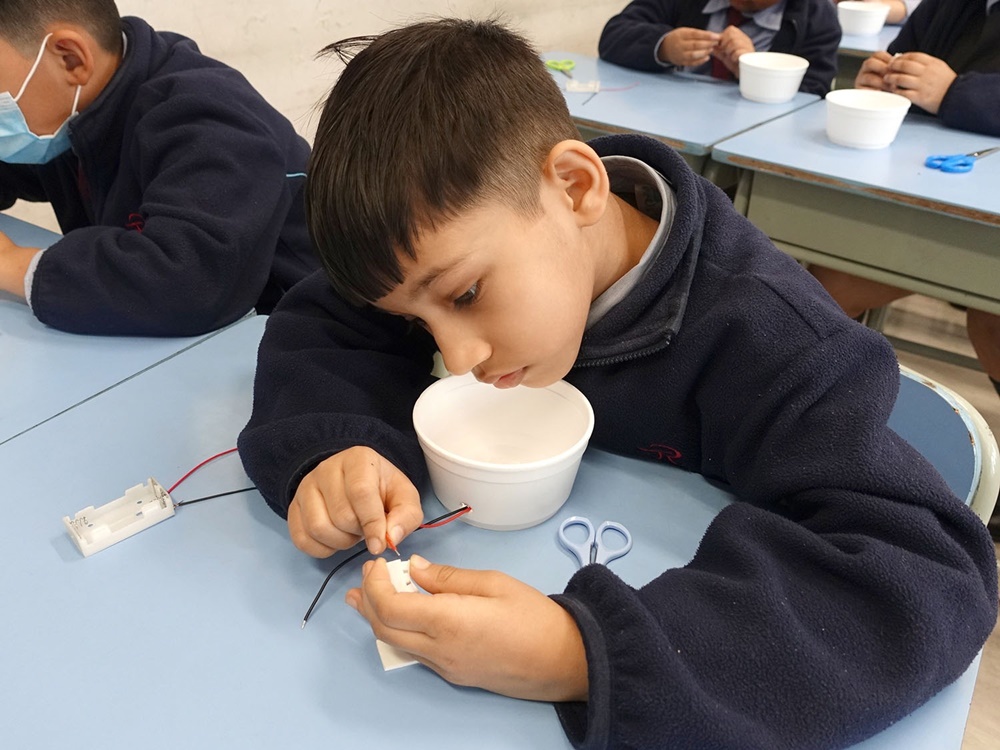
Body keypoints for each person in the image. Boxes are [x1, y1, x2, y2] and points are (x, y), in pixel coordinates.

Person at [237, 18, 997, 749]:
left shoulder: (774, 338)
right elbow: (325, 324)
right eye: (414, 320)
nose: (458, 355)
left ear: (575, 187)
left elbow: (924, 579)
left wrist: (581, 651)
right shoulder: (452, 242)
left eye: (465, 296)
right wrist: (337, 446)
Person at [0, 0, 318, 336]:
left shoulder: (209, 121)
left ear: (71, 58)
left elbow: (188, 283)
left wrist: (11, 263)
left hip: (293, 333)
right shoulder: (80, 111)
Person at [808, 0, 1000, 536]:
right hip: (926, 193)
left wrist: (954, 93)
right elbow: (905, 63)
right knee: (827, 285)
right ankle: (827, 432)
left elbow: (945, 92)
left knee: (992, 325)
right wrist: (884, 84)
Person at [597, 0, 841, 96]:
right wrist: (664, 45)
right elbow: (613, 35)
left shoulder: (818, 18)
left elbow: (813, 93)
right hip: (668, 115)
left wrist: (755, 71)